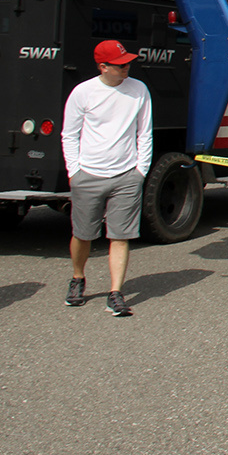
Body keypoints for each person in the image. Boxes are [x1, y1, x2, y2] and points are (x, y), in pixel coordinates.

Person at [60, 40, 153, 316]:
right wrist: (74, 172)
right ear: (103, 66)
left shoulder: (139, 90)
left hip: (126, 176)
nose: (127, 67)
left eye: (128, 62)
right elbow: (69, 134)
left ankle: (116, 293)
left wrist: (140, 171)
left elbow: (144, 132)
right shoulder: (83, 93)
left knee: (120, 236)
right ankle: (78, 278)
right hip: (88, 174)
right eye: (121, 64)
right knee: (83, 234)